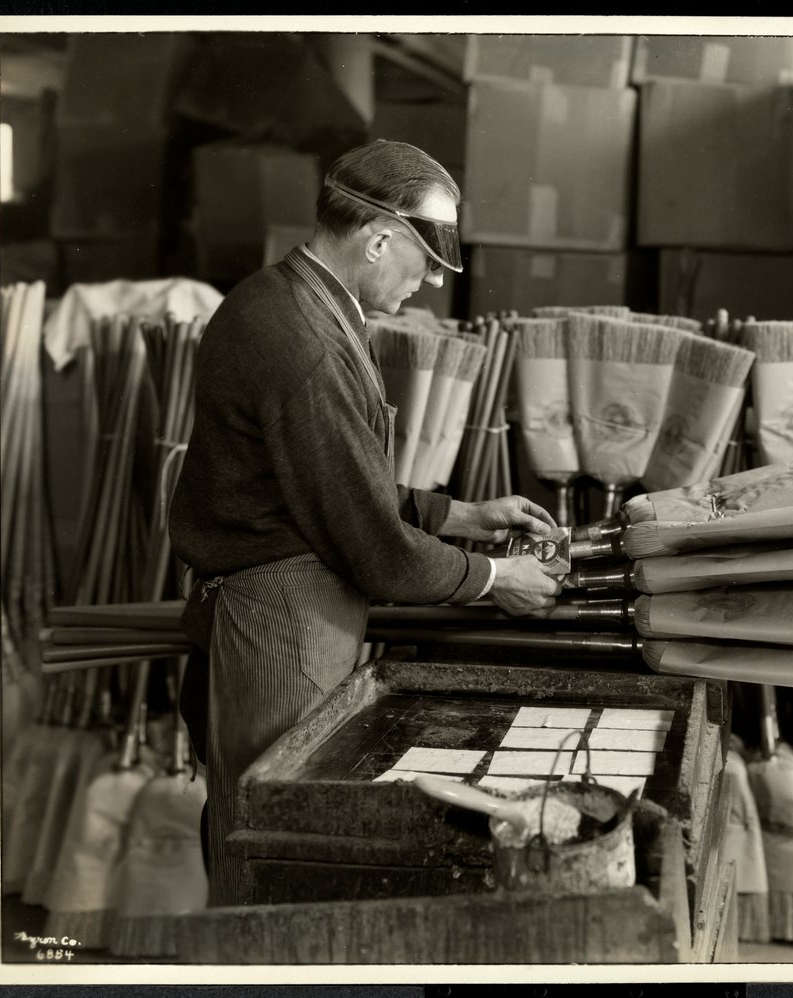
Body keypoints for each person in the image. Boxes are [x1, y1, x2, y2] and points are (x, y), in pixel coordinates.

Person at [168, 139, 562, 906]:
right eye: (424, 264)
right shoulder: (305, 341)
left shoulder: (290, 300)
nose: (428, 287)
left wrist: (464, 515)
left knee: (279, 831)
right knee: (279, 842)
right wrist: (497, 578)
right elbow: (374, 547)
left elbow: (336, 480)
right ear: (378, 238)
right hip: (280, 616)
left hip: (290, 597)